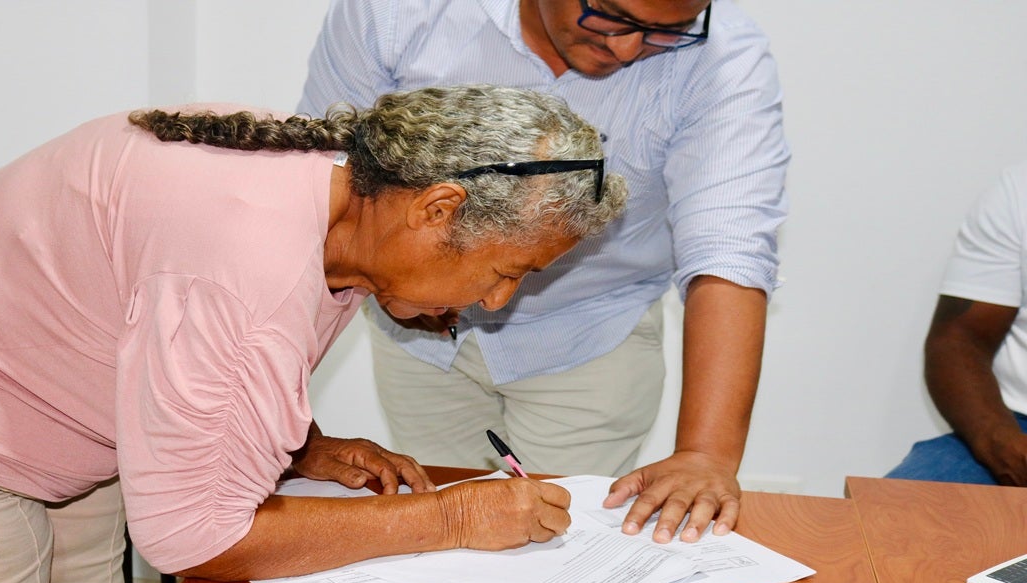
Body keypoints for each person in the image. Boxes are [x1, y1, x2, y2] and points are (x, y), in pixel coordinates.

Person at [0, 84, 626, 583]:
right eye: (507, 271)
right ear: (438, 209)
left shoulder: (341, 194)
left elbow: (186, 342)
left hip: (59, 399)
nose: (496, 301)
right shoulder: (245, 258)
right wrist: (450, 518)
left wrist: (299, 449)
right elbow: (195, 536)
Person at [299, 0, 790, 544]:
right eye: (611, 16)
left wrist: (704, 455)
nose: (627, 48)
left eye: (663, 33)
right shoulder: (395, 13)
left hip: (588, 338)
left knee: (562, 545)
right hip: (416, 337)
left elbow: (729, 247)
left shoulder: (721, 56)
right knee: (429, 534)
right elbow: (328, 185)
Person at [886, 161, 1027, 487]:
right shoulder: (1018, 191)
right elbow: (959, 339)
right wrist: (1003, 445)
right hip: (1018, 426)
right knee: (892, 516)